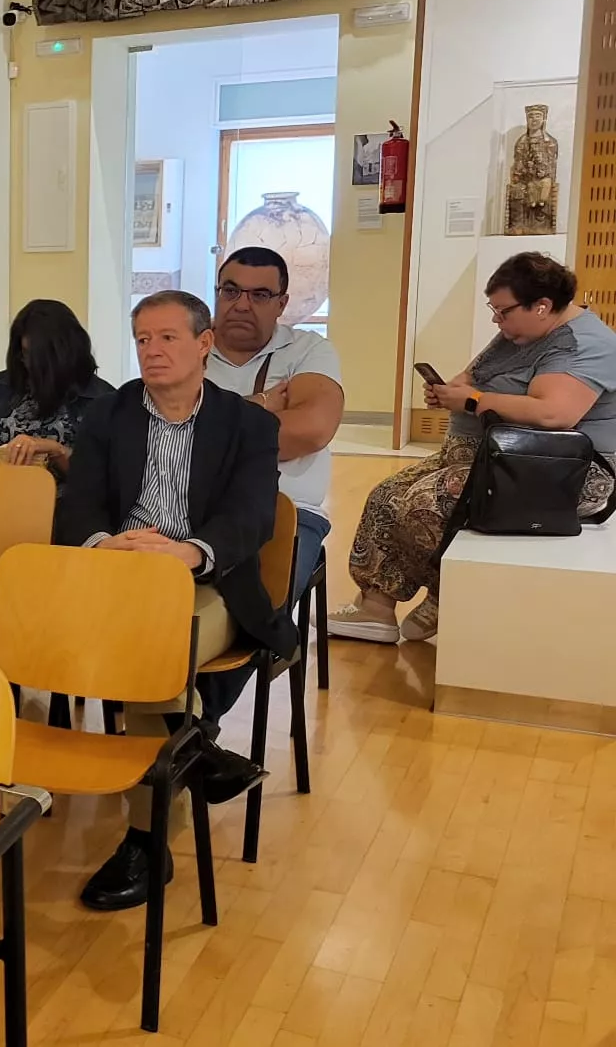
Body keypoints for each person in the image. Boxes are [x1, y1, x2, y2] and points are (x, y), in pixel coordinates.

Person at [56, 290, 284, 912]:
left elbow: (251, 518)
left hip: (209, 584)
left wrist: (190, 552)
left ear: (204, 344)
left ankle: (146, 841)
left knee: (150, 647)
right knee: (138, 638)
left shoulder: (249, 425)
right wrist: (105, 544)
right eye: (142, 340)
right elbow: (77, 505)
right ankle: (195, 747)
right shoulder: (109, 414)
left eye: (167, 338)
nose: (151, 352)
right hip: (120, 580)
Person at [333, 252, 616, 644]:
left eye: (503, 312)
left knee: (425, 504)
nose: (496, 321)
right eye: (493, 310)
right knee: (387, 495)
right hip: (498, 458)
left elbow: (554, 414)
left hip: (562, 472)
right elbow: (473, 376)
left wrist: (471, 401)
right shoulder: (520, 331)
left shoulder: (584, 344)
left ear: (542, 306)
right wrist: (449, 391)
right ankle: (375, 607)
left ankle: (446, 592)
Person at [205, 247, 344, 609]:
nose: (241, 305)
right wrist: (262, 405)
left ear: (281, 304)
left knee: (250, 618)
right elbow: (153, 432)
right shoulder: (189, 347)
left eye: (260, 295)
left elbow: (311, 429)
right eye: (231, 291)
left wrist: (202, 429)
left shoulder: (306, 350)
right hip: (188, 507)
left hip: (287, 511)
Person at [0, 298, 113, 478]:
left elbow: (105, 484)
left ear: (65, 353)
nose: (30, 364)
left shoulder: (101, 400)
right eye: (25, 354)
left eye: (39, 357)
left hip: (61, 502)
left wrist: (56, 451)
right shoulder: (0, 386)